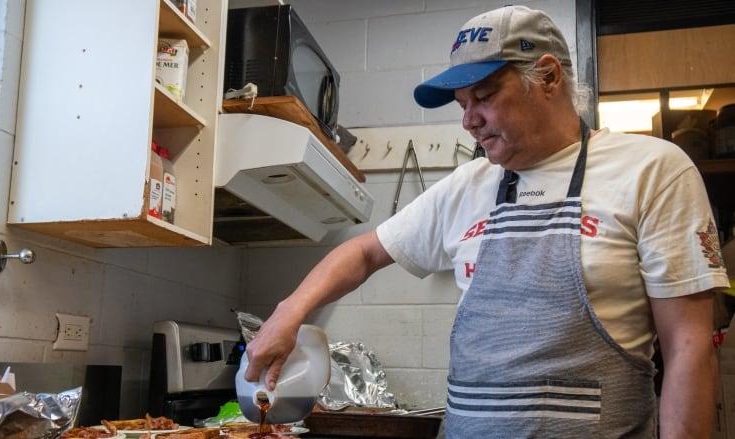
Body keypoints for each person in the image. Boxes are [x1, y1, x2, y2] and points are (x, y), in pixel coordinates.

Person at [243, 5, 730, 438]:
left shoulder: (652, 170)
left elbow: (687, 346)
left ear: (548, 77)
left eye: (484, 96)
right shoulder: (468, 184)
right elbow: (364, 251)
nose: (468, 120)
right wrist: (288, 315)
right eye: (462, 105)